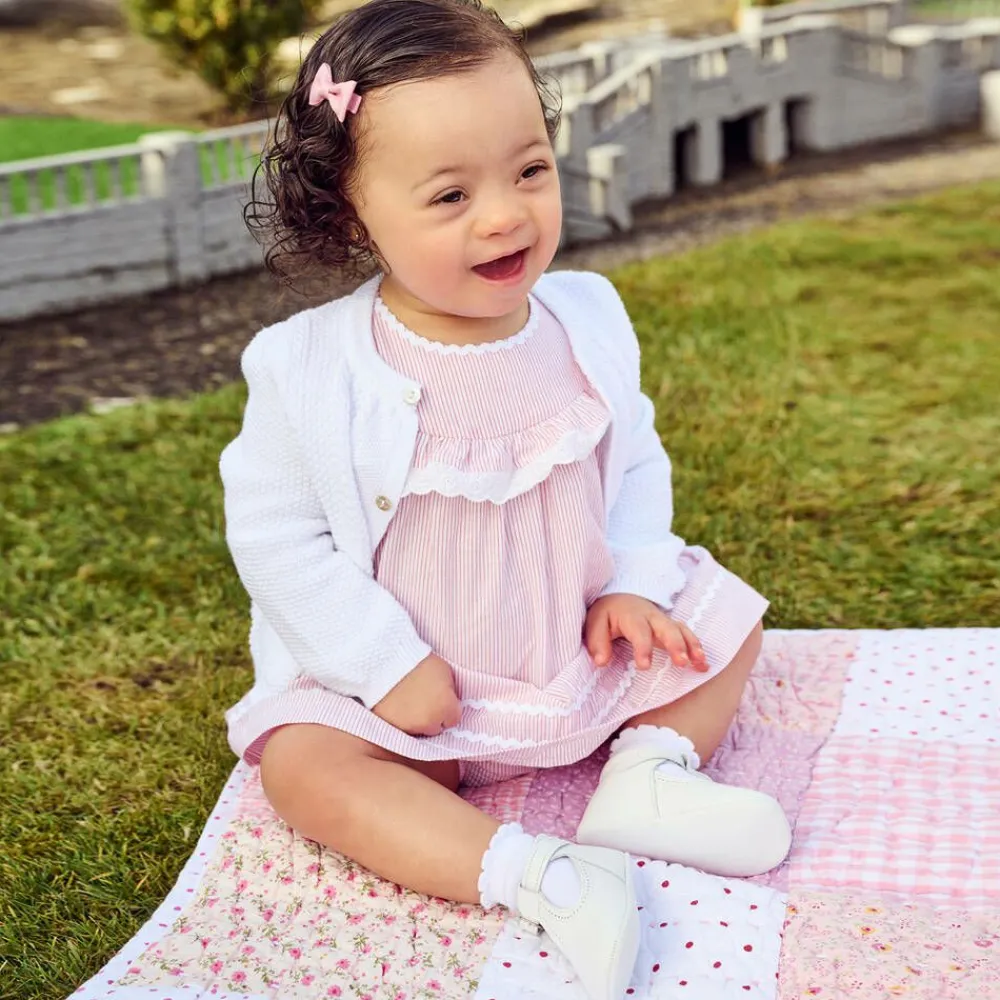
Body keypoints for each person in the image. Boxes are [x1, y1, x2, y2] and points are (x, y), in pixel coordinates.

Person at [221, 1, 791, 997]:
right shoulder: (309, 367)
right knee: (304, 768)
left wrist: (635, 584)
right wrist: (381, 664)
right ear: (351, 214)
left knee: (723, 617)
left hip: (578, 651)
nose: (505, 215)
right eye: (450, 195)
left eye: (529, 170)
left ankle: (647, 775)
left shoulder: (585, 318)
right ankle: (543, 876)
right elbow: (276, 539)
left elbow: (634, 462)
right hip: (420, 704)